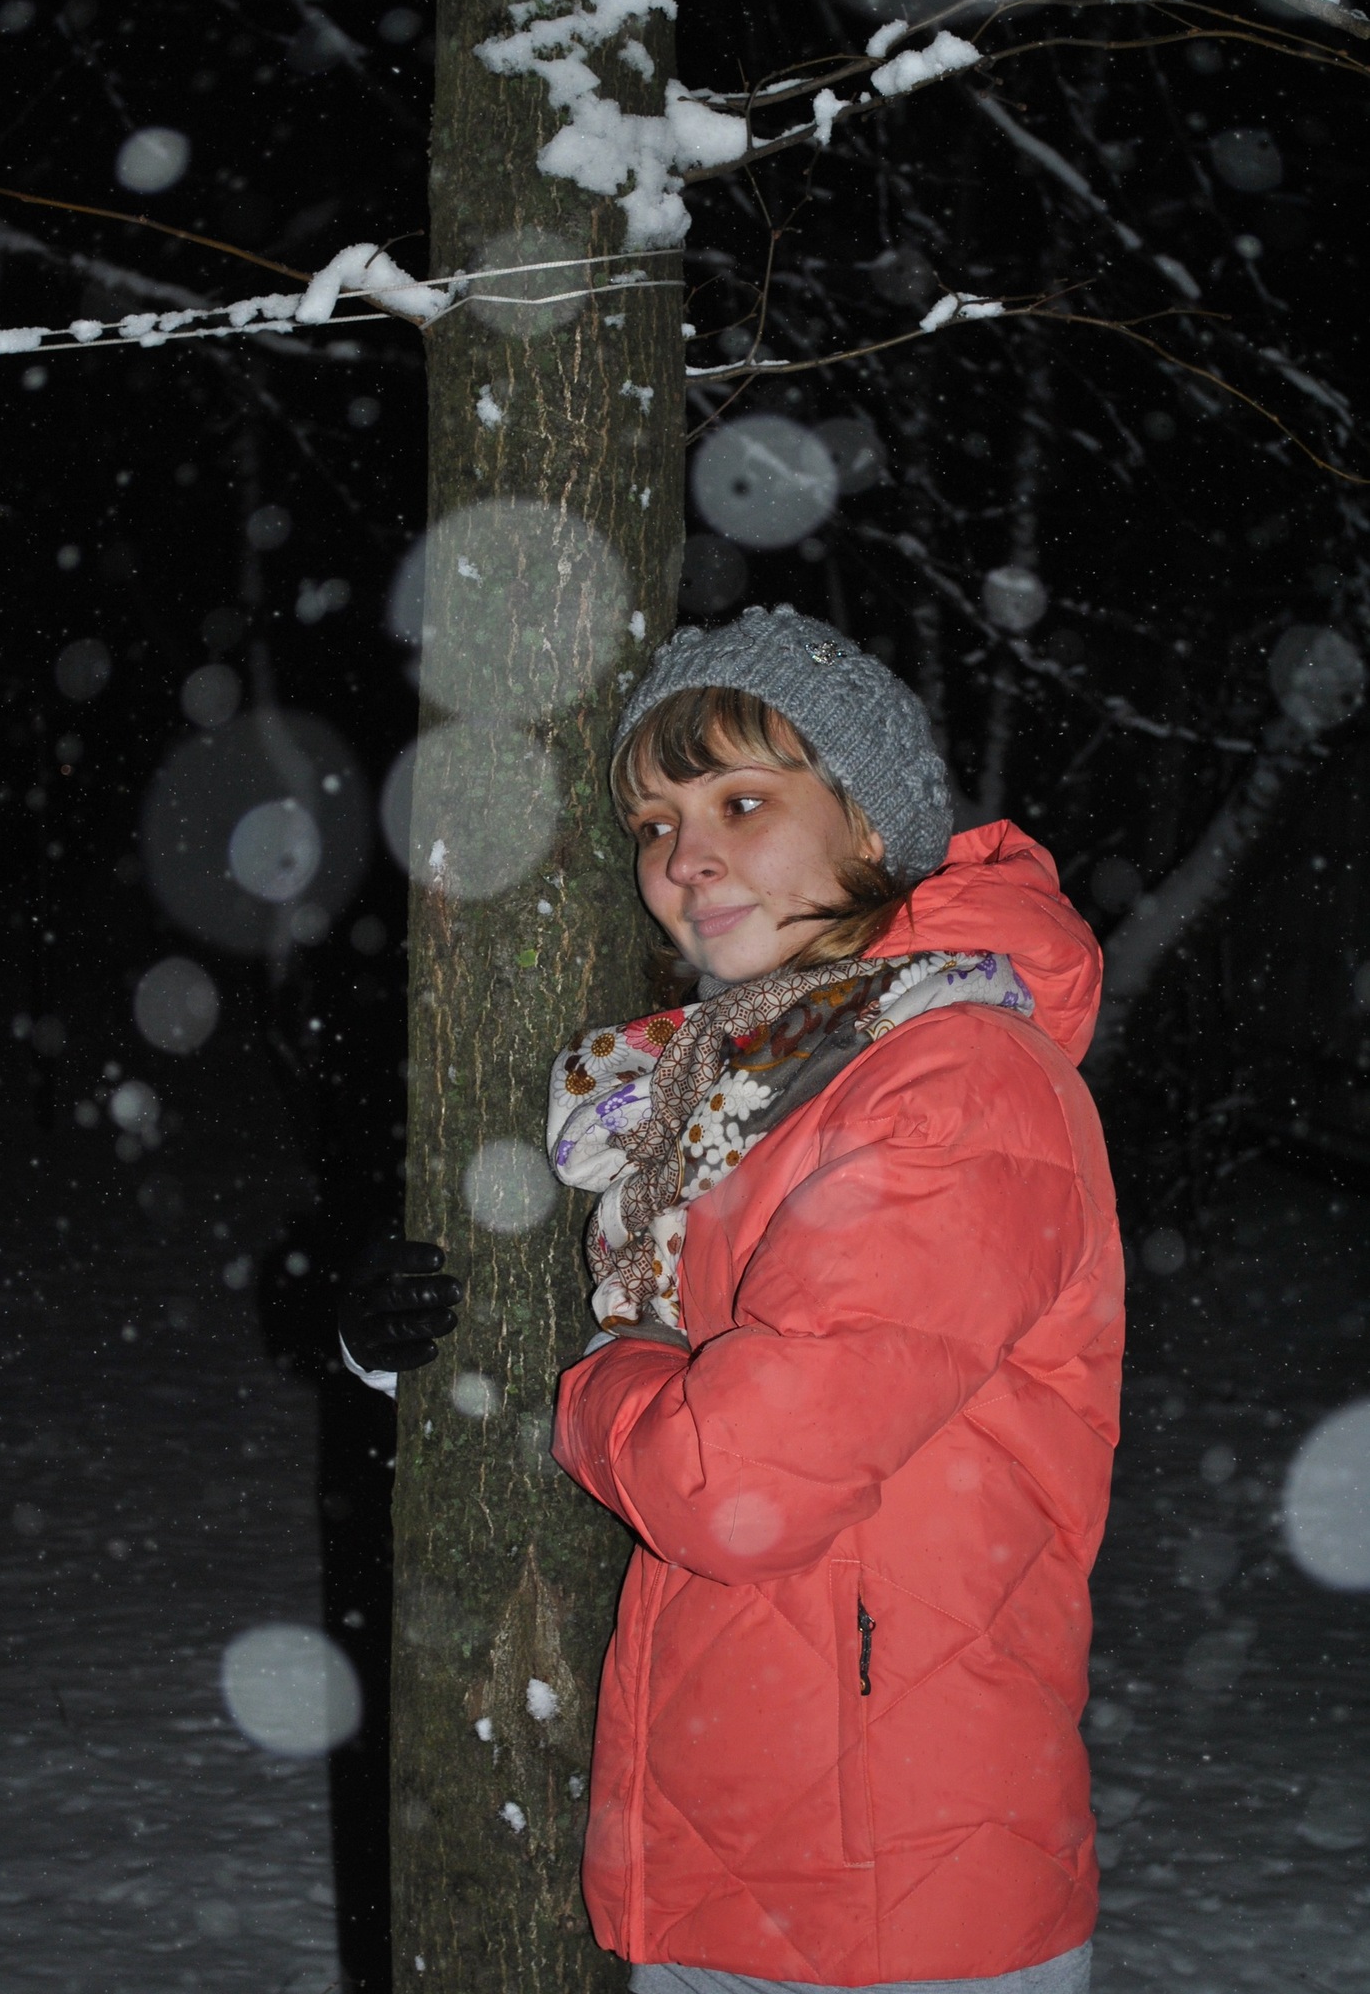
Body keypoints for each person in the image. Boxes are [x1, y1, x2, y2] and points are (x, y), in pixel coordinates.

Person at [343, 604, 1123, 1994]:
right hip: (750, 1854)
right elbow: (680, 1348)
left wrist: (584, 1371)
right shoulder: (733, 1086)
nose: (682, 859)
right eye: (653, 823)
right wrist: (403, 1347)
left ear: (870, 823)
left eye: (741, 802)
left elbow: (733, 1481)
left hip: (905, 1890)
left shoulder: (958, 1082)